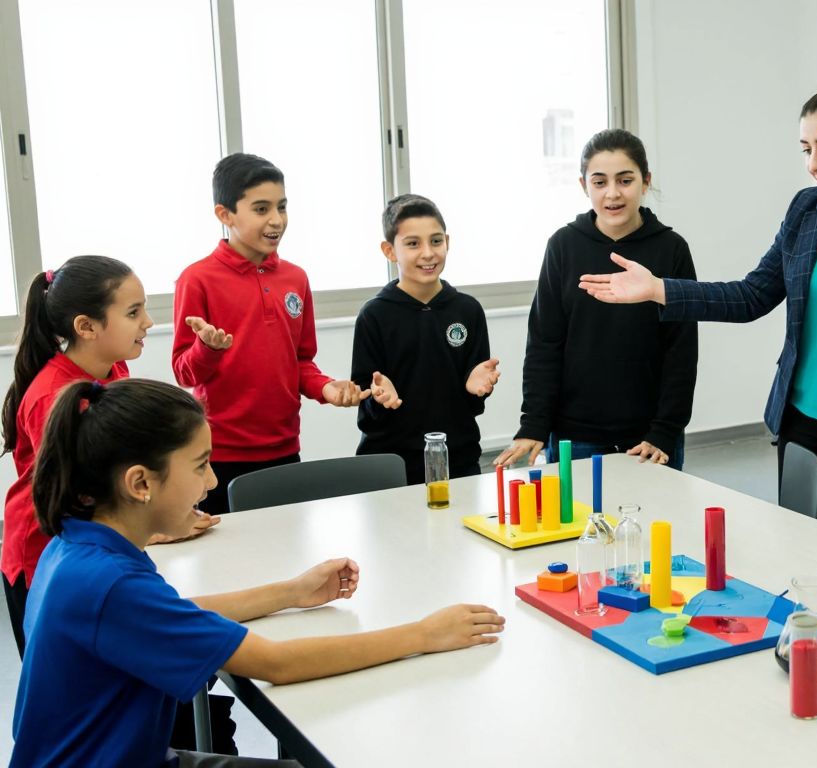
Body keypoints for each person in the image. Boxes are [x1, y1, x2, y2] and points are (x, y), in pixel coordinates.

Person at [11, 378, 506, 767]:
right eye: (202, 465)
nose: (210, 481)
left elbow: (175, 613)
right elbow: (278, 664)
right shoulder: (107, 583)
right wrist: (423, 632)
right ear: (140, 483)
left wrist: (289, 591)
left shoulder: (78, 546)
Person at [579, 85, 817, 518]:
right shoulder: (806, 209)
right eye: (806, 149)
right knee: (808, 558)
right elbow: (752, 295)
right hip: (802, 425)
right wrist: (659, 289)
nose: (814, 163)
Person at [2, 256, 217, 659]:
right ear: (86, 327)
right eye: (133, 312)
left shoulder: (112, 368)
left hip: (96, 539)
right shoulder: (53, 397)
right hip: (45, 550)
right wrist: (153, 529)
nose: (148, 323)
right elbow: (71, 497)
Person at [173, 153, 368, 515]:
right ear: (225, 215)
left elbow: (301, 361)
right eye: (261, 209)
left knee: (287, 556)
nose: (276, 220)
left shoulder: (296, 278)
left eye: (282, 207)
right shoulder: (197, 279)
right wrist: (207, 348)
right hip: (220, 456)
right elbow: (184, 372)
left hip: (284, 449)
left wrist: (327, 388)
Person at [496, 129, 697, 470]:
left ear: (645, 182)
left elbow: (681, 349)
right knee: (579, 524)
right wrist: (534, 423)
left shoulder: (671, 249)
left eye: (625, 180)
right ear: (583, 185)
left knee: (654, 523)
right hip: (576, 433)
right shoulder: (563, 246)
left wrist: (665, 430)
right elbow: (545, 342)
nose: (613, 194)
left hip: (649, 436)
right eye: (600, 182)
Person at [352, 193, 499, 484]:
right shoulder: (374, 315)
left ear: (448, 242)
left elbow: (474, 406)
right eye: (412, 244)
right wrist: (380, 398)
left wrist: (476, 389)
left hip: (458, 458)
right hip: (391, 463)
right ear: (389, 250)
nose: (428, 253)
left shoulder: (468, 310)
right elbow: (367, 408)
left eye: (435, 241)